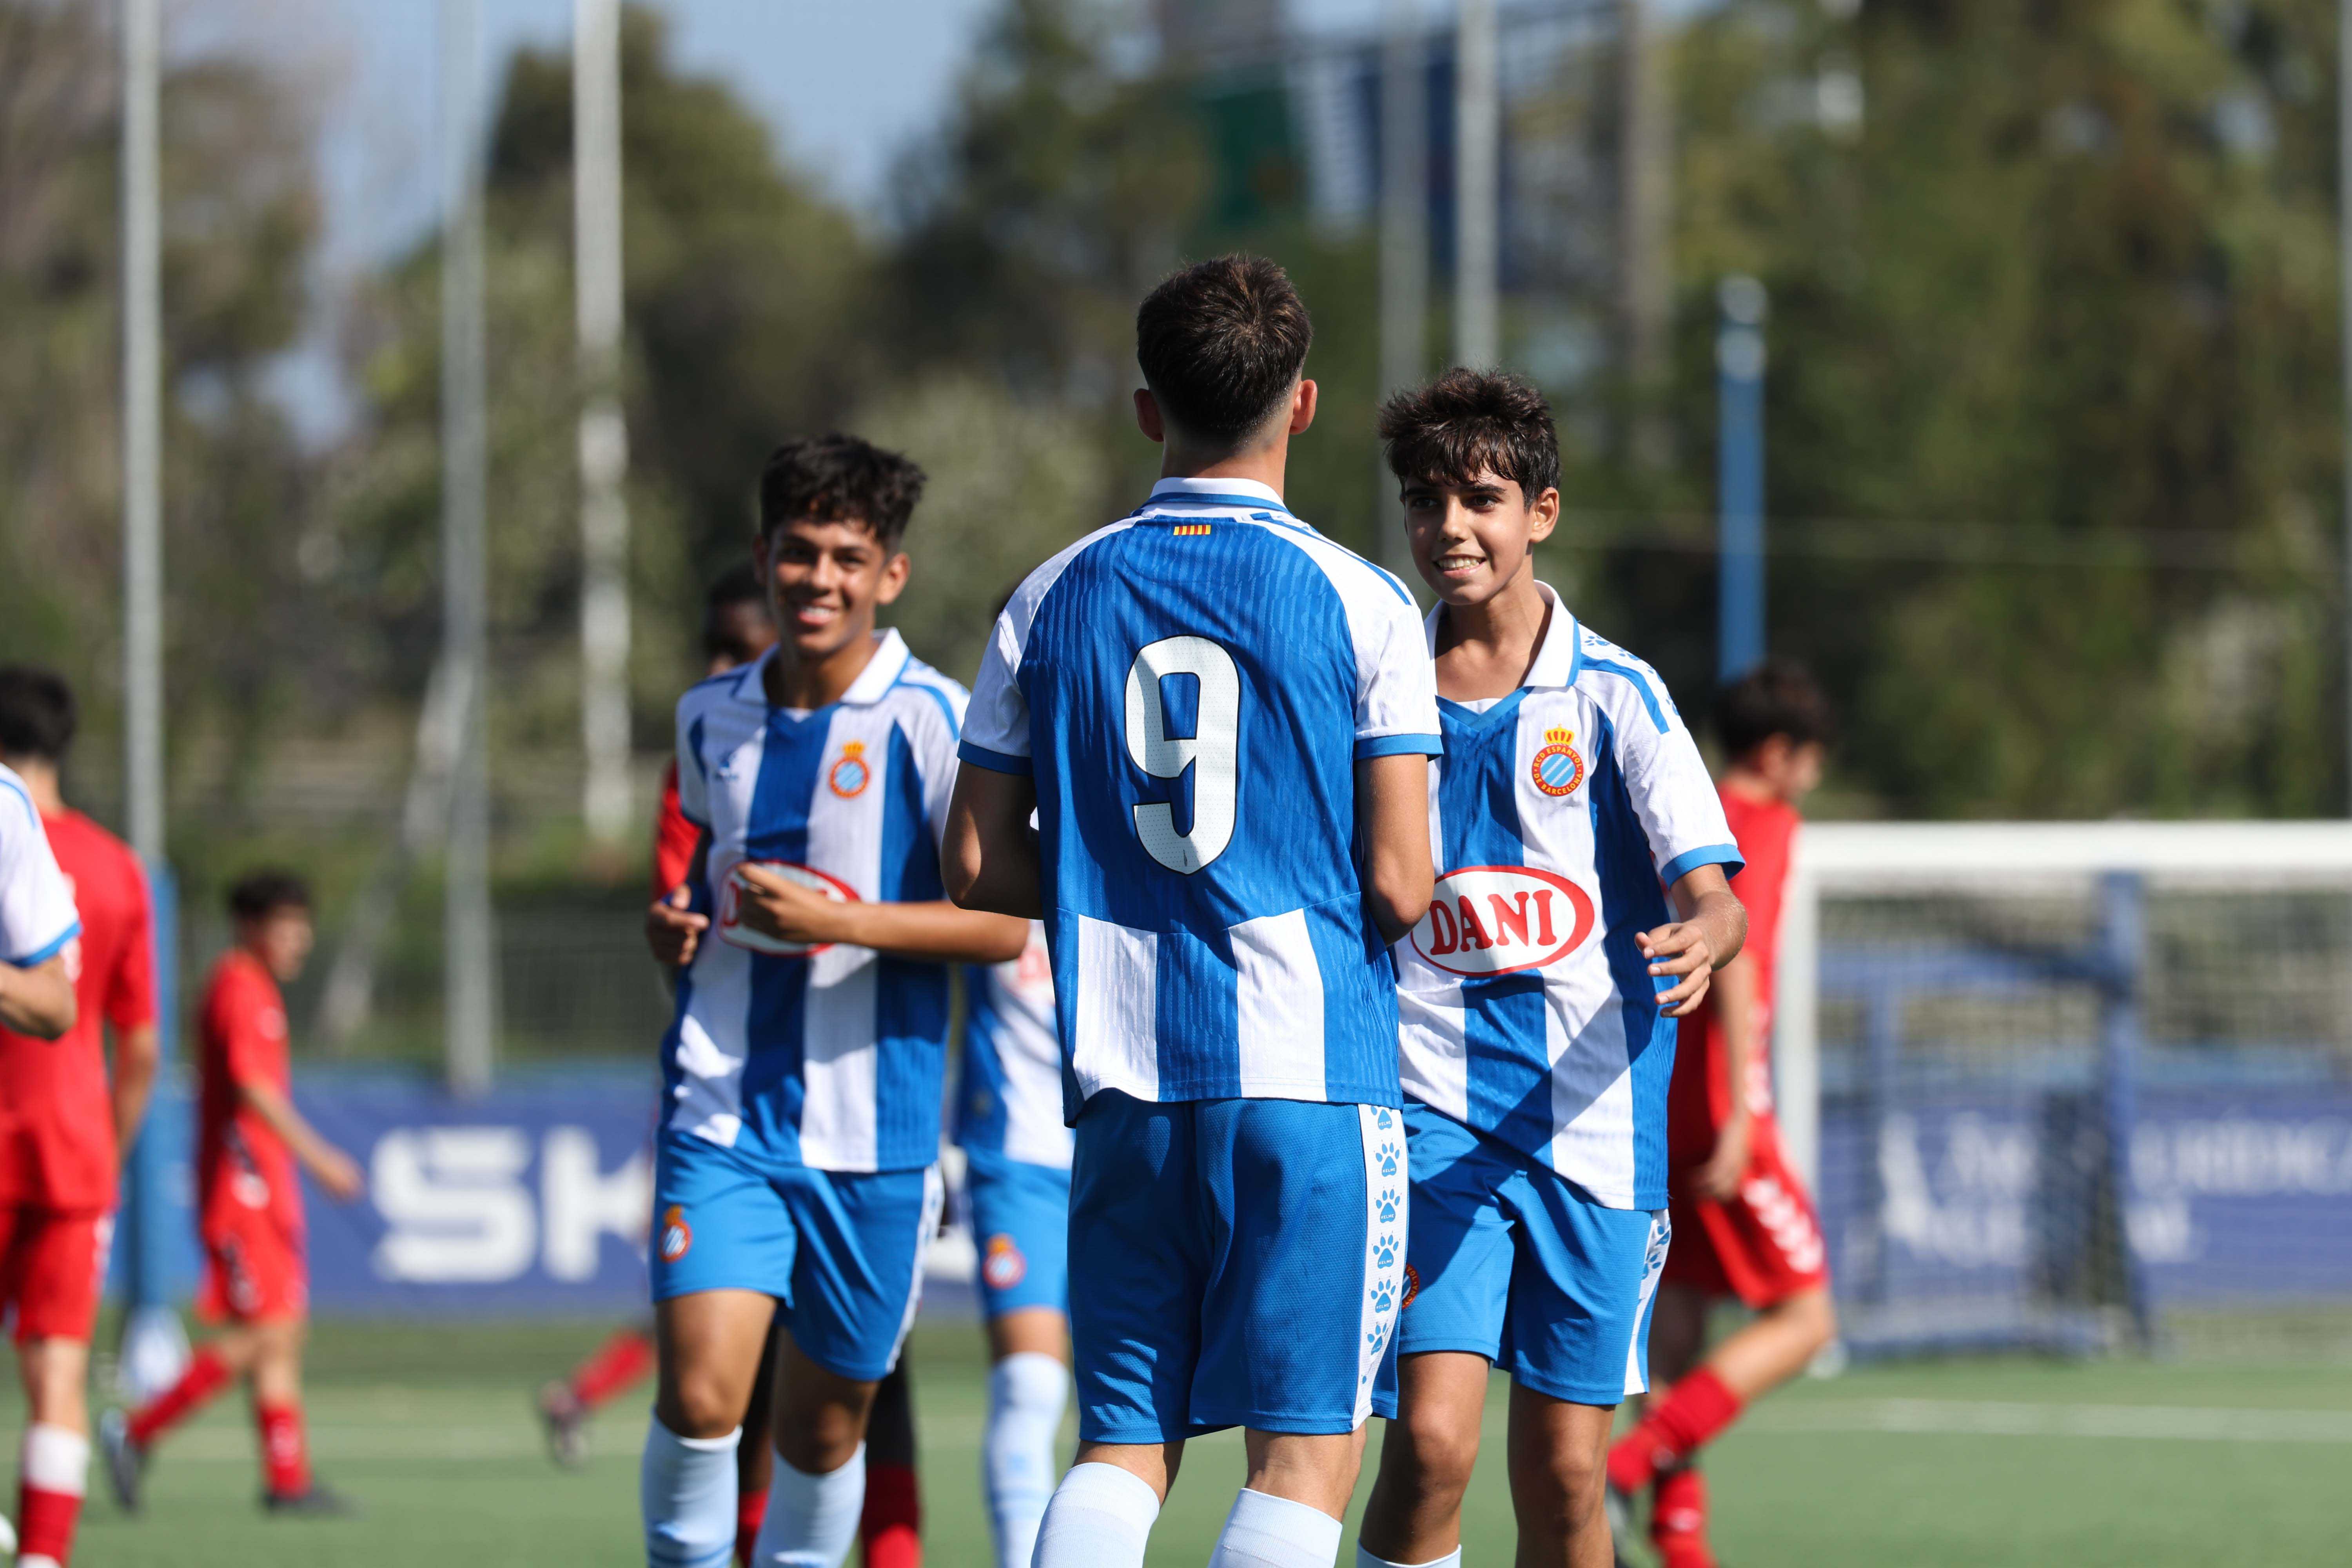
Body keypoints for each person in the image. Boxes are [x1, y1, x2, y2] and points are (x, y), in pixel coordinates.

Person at [946, 253, 1441, 1568]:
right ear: (1307, 404)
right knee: (1303, 1455)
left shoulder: (1045, 597)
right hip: (1308, 1075)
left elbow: (976, 868)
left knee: (1120, 1444)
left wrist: (1108, 874)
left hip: (1121, 1081)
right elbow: (1400, 882)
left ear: (1147, 409)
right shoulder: (1365, 601)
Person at [1354, 369, 1749, 1568]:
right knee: (1430, 1446)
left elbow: (1716, 896)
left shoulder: (1616, 695)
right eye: (1425, 501)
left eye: (1481, 497)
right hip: (1426, 1123)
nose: (1450, 528)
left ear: (1544, 512)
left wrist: (1705, 933)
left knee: (1569, 1475)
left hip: (1591, 1129)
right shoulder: (1369, 686)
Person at [637, 434, 1028, 1568]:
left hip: (877, 1141)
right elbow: (702, 887)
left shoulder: (932, 721)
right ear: (764, 559)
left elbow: (1006, 921)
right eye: (800, 553)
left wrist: (843, 923)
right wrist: (672, 930)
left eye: (848, 558)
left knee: (821, 1433)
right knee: (706, 1397)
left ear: (889, 575)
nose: (820, 580)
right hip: (722, 1115)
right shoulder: (709, 718)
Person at [538, 563, 779, 1472]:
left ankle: (579, 1393)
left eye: (738, 645)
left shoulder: (891, 730)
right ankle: (583, 1397)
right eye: (712, 645)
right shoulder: (698, 754)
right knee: (715, 1366)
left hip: (846, 1103)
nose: (720, 664)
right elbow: (680, 919)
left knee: (823, 1401)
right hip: (720, 1093)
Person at [1603, 661, 1838, 1568]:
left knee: (1685, 1315)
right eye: (1811, 759)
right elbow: (1734, 954)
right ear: (1778, 754)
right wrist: (1742, 1109)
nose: (1811, 778)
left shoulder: (1687, 809)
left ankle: (1678, 1538)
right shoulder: (1765, 823)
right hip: (1724, 1104)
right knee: (1807, 1318)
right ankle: (1625, 1463)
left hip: (1665, 1096)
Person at [100, 871, 366, 1517]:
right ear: (251, 927)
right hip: (240, 1191)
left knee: (280, 1331)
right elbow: (252, 1088)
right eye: (287, 924)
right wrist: (321, 1158)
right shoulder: (240, 987)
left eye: (303, 925)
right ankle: (135, 1429)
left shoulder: (256, 988)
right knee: (268, 1332)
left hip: (264, 1189)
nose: (300, 938)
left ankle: (287, 1480)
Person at [0, 669, 143, 1568]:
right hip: (73, 1143)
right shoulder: (119, 867)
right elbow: (142, 1045)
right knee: (59, 1368)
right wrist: (110, 1155)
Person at [954, 919, 1067, 1568]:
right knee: (1029, 1384)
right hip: (1016, 1157)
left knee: (1134, 1400)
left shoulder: (1137, 838)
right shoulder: (989, 851)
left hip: (1129, 1149)